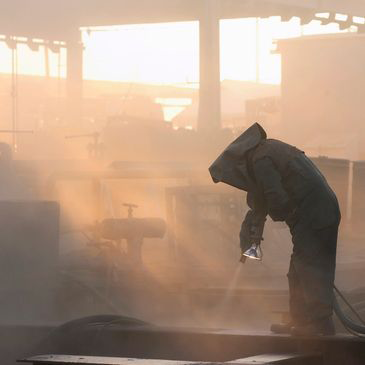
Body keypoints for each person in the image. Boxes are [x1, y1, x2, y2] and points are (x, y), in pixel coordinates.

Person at [209, 122, 340, 336]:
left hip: (316, 212)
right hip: (318, 210)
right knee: (297, 269)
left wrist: (282, 216)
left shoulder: (261, 159)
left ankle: (319, 325)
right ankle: (300, 321)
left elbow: (275, 197)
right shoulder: (266, 152)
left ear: (240, 159)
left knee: (309, 267)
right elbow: (261, 200)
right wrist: (254, 226)